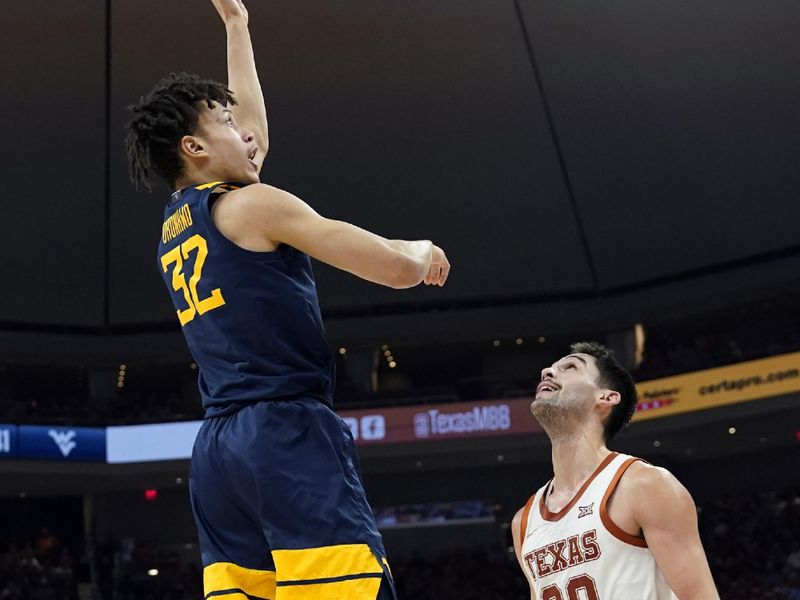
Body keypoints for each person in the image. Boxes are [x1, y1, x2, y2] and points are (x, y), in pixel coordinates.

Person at [124, 1, 450, 598]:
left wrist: (237, 25)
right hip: (285, 432)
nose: (246, 133)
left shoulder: (180, 220)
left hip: (218, 453)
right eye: (225, 122)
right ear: (195, 148)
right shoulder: (255, 206)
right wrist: (422, 249)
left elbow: (252, 140)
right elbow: (397, 270)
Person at [511, 342, 719, 599]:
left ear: (606, 397)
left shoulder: (643, 485)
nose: (547, 371)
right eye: (551, 368)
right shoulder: (525, 520)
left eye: (570, 367)